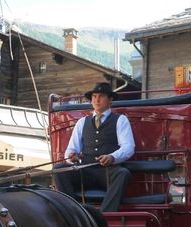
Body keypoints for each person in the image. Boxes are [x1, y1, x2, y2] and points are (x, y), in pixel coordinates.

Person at [54, 81, 135, 212]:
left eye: (101, 96)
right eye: (94, 96)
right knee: (59, 169)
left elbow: (128, 147)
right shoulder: (82, 122)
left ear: (110, 100)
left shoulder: (120, 120)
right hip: (85, 171)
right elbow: (71, 150)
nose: (97, 99)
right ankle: (72, 212)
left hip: (108, 172)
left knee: (123, 174)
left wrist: (112, 157)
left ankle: (105, 216)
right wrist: (71, 157)